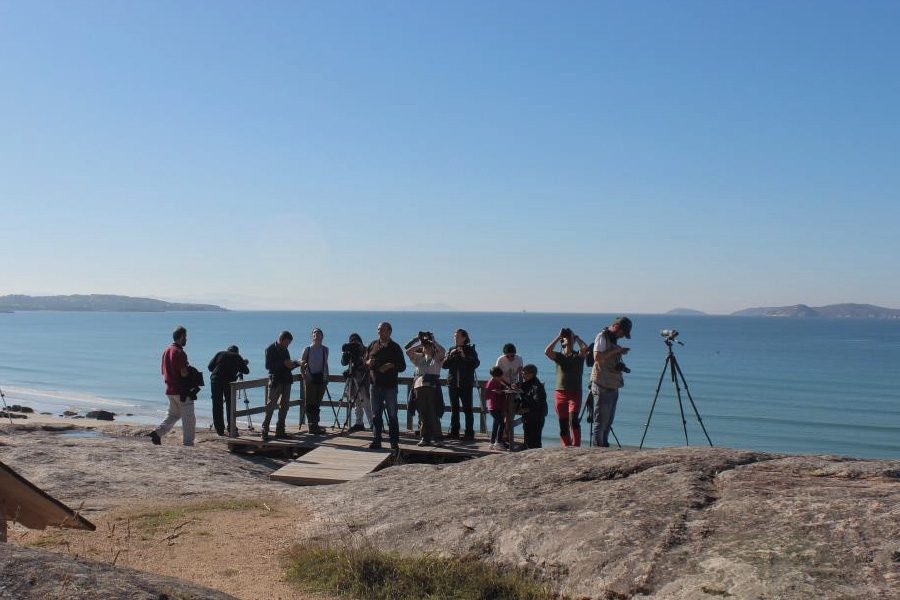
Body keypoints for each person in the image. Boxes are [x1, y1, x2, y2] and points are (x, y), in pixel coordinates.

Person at [590, 316, 632, 447]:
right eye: (622, 332)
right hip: (602, 383)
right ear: (615, 326)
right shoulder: (602, 336)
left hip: (612, 383)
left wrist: (619, 351)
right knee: (601, 420)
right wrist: (616, 350)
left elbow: (608, 355)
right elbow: (597, 357)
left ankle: (604, 445)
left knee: (608, 421)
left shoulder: (612, 339)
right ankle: (598, 449)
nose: (622, 336)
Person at [150, 326, 195, 446]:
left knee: (174, 414)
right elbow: (183, 372)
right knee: (189, 419)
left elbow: (163, 370)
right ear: (181, 337)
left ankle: (157, 433)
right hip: (182, 390)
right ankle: (188, 443)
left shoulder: (167, 350)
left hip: (170, 388)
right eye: (185, 337)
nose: (186, 340)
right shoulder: (179, 352)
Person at [544, 328, 589, 447]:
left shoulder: (578, 356)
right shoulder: (559, 356)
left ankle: (576, 446)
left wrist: (576, 338)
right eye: (565, 338)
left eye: (569, 337)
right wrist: (559, 337)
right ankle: (565, 446)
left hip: (574, 393)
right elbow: (547, 351)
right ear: (562, 342)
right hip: (560, 393)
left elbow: (585, 348)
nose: (567, 338)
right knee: (562, 423)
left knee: (573, 419)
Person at [366, 322, 406, 450]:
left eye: (382, 329)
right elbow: (365, 361)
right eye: (378, 329)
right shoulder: (372, 345)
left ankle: (394, 442)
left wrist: (391, 365)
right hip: (375, 385)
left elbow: (403, 366)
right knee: (376, 415)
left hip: (390, 386)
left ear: (389, 331)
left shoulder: (395, 347)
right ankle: (376, 440)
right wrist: (368, 362)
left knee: (392, 415)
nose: (379, 331)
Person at [406, 333, 446, 446]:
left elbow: (443, 351)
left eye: (428, 346)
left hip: (432, 387)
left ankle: (438, 438)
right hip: (419, 387)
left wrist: (434, 342)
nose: (426, 347)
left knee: (433, 413)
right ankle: (425, 437)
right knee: (422, 413)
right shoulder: (419, 357)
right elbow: (408, 352)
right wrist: (420, 343)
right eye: (425, 346)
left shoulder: (437, 357)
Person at [262, 330, 301, 442]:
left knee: (285, 406)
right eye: (287, 342)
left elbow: (288, 365)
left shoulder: (285, 349)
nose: (288, 344)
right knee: (271, 405)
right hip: (276, 381)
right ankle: (265, 430)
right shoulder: (270, 349)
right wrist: (283, 363)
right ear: (281, 339)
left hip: (286, 380)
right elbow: (268, 366)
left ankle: (280, 431)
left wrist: (296, 364)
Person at [442, 328, 480, 439]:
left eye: (458, 336)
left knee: (468, 409)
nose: (455, 338)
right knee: (454, 409)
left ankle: (469, 433)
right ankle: (455, 432)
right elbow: (444, 365)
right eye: (454, 336)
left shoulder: (470, 350)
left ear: (464, 338)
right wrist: (451, 356)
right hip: (453, 383)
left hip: (465, 384)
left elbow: (475, 363)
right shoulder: (451, 349)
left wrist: (464, 356)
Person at [207, 344, 250, 436]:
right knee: (230, 405)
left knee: (217, 405)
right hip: (228, 382)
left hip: (215, 379)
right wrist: (242, 364)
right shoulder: (237, 356)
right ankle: (231, 428)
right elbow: (246, 371)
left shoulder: (219, 354)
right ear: (236, 352)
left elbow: (210, 367)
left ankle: (219, 430)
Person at [299, 328, 329, 435]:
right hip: (310, 379)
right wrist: (304, 376)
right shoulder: (307, 349)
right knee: (310, 403)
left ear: (322, 336)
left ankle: (315, 425)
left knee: (317, 403)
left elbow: (325, 364)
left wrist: (326, 379)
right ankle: (312, 425)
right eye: (314, 333)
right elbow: (301, 364)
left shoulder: (325, 349)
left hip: (321, 379)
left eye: (318, 333)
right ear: (312, 336)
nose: (316, 335)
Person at [342, 333, 372, 432]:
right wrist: (345, 353)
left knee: (365, 401)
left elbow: (366, 364)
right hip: (353, 377)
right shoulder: (350, 351)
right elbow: (343, 363)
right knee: (356, 402)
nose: (354, 342)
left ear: (360, 341)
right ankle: (359, 423)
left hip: (363, 378)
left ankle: (372, 423)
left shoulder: (365, 350)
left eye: (356, 340)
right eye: (352, 341)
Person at [517, 364, 548, 449]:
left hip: (535, 417)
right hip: (530, 416)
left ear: (531, 374)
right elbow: (523, 393)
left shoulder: (536, 386)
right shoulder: (527, 384)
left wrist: (527, 409)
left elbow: (538, 402)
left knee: (534, 440)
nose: (523, 376)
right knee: (529, 439)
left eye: (524, 374)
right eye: (522, 373)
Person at [485, 366, 510, 449]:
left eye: (500, 376)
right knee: (502, 423)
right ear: (494, 376)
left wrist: (506, 388)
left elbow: (506, 387)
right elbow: (487, 395)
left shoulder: (500, 381)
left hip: (499, 406)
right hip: (493, 407)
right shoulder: (491, 382)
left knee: (496, 424)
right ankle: (498, 441)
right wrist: (495, 392)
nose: (500, 378)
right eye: (498, 376)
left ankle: (492, 442)